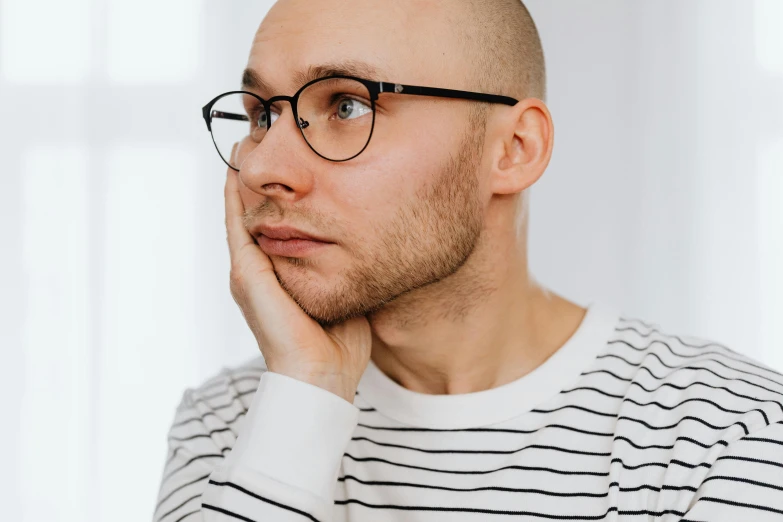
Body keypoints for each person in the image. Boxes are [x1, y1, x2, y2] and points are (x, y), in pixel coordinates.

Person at [154, 0, 783, 520]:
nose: (260, 167)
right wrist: (305, 396)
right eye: (262, 114)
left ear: (513, 149)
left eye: (348, 105)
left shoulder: (723, 441)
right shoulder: (232, 421)